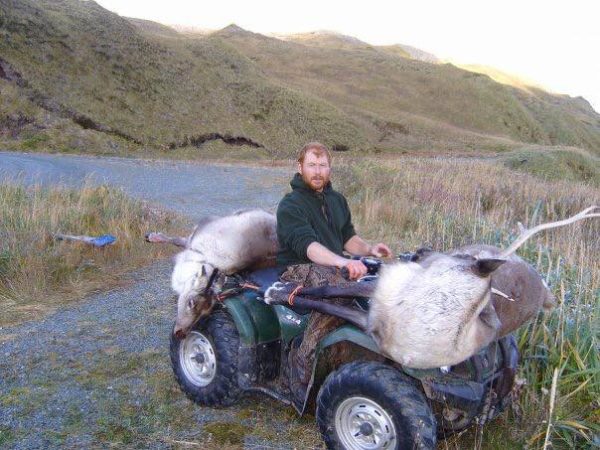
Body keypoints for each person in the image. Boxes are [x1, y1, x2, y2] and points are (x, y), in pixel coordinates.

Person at [276, 141, 391, 408]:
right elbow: (309, 247)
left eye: (322, 165)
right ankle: (300, 368)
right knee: (339, 297)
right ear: (300, 167)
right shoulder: (290, 205)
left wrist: (370, 250)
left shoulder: (336, 200)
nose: (317, 172)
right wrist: (342, 262)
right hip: (298, 267)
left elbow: (348, 238)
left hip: (330, 265)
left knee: (382, 285)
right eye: (312, 165)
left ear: (330, 168)